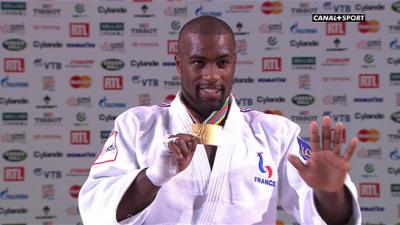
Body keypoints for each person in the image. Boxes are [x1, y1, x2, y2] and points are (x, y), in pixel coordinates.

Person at [78, 16, 361, 225]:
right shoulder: (137, 126)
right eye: (199, 62)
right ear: (179, 63)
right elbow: (96, 210)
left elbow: (327, 216)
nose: (212, 75)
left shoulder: (276, 134)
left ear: (234, 63)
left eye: (222, 63)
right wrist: (152, 178)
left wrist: (331, 193)